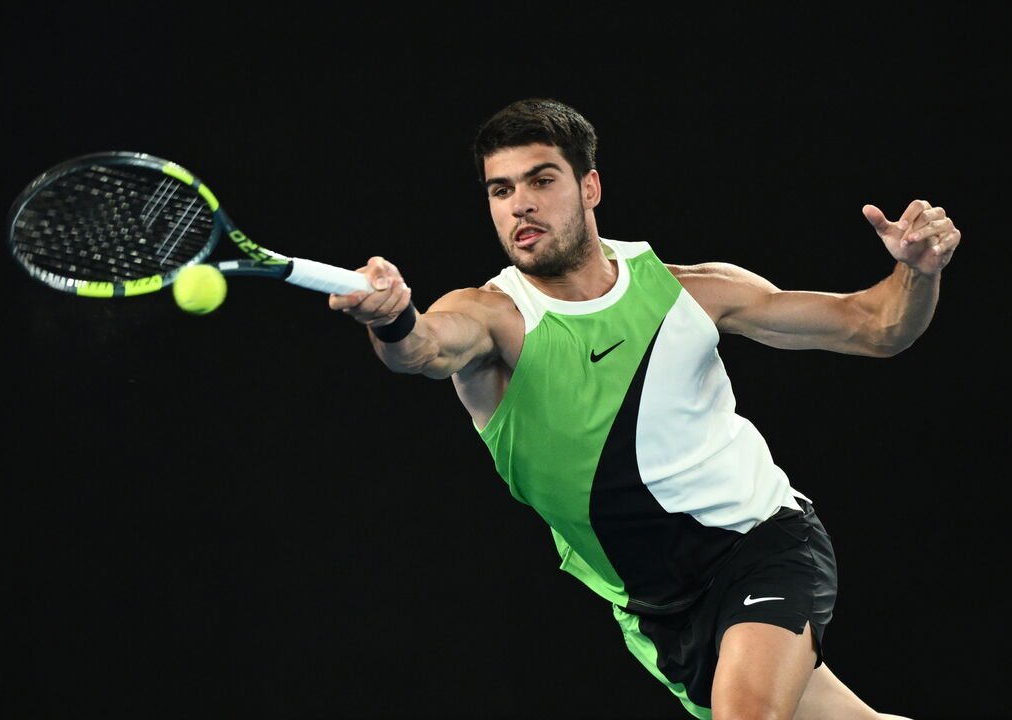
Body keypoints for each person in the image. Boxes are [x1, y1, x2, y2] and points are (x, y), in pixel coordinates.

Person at [329, 98, 959, 719]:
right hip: (656, 610)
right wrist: (392, 319)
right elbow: (423, 348)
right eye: (501, 189)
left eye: (541, 180)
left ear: (590, 187)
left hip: (761, 541)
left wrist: (918, 272)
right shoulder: (492, 317)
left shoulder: (689, 290)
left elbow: (875, 326)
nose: (520, 203)